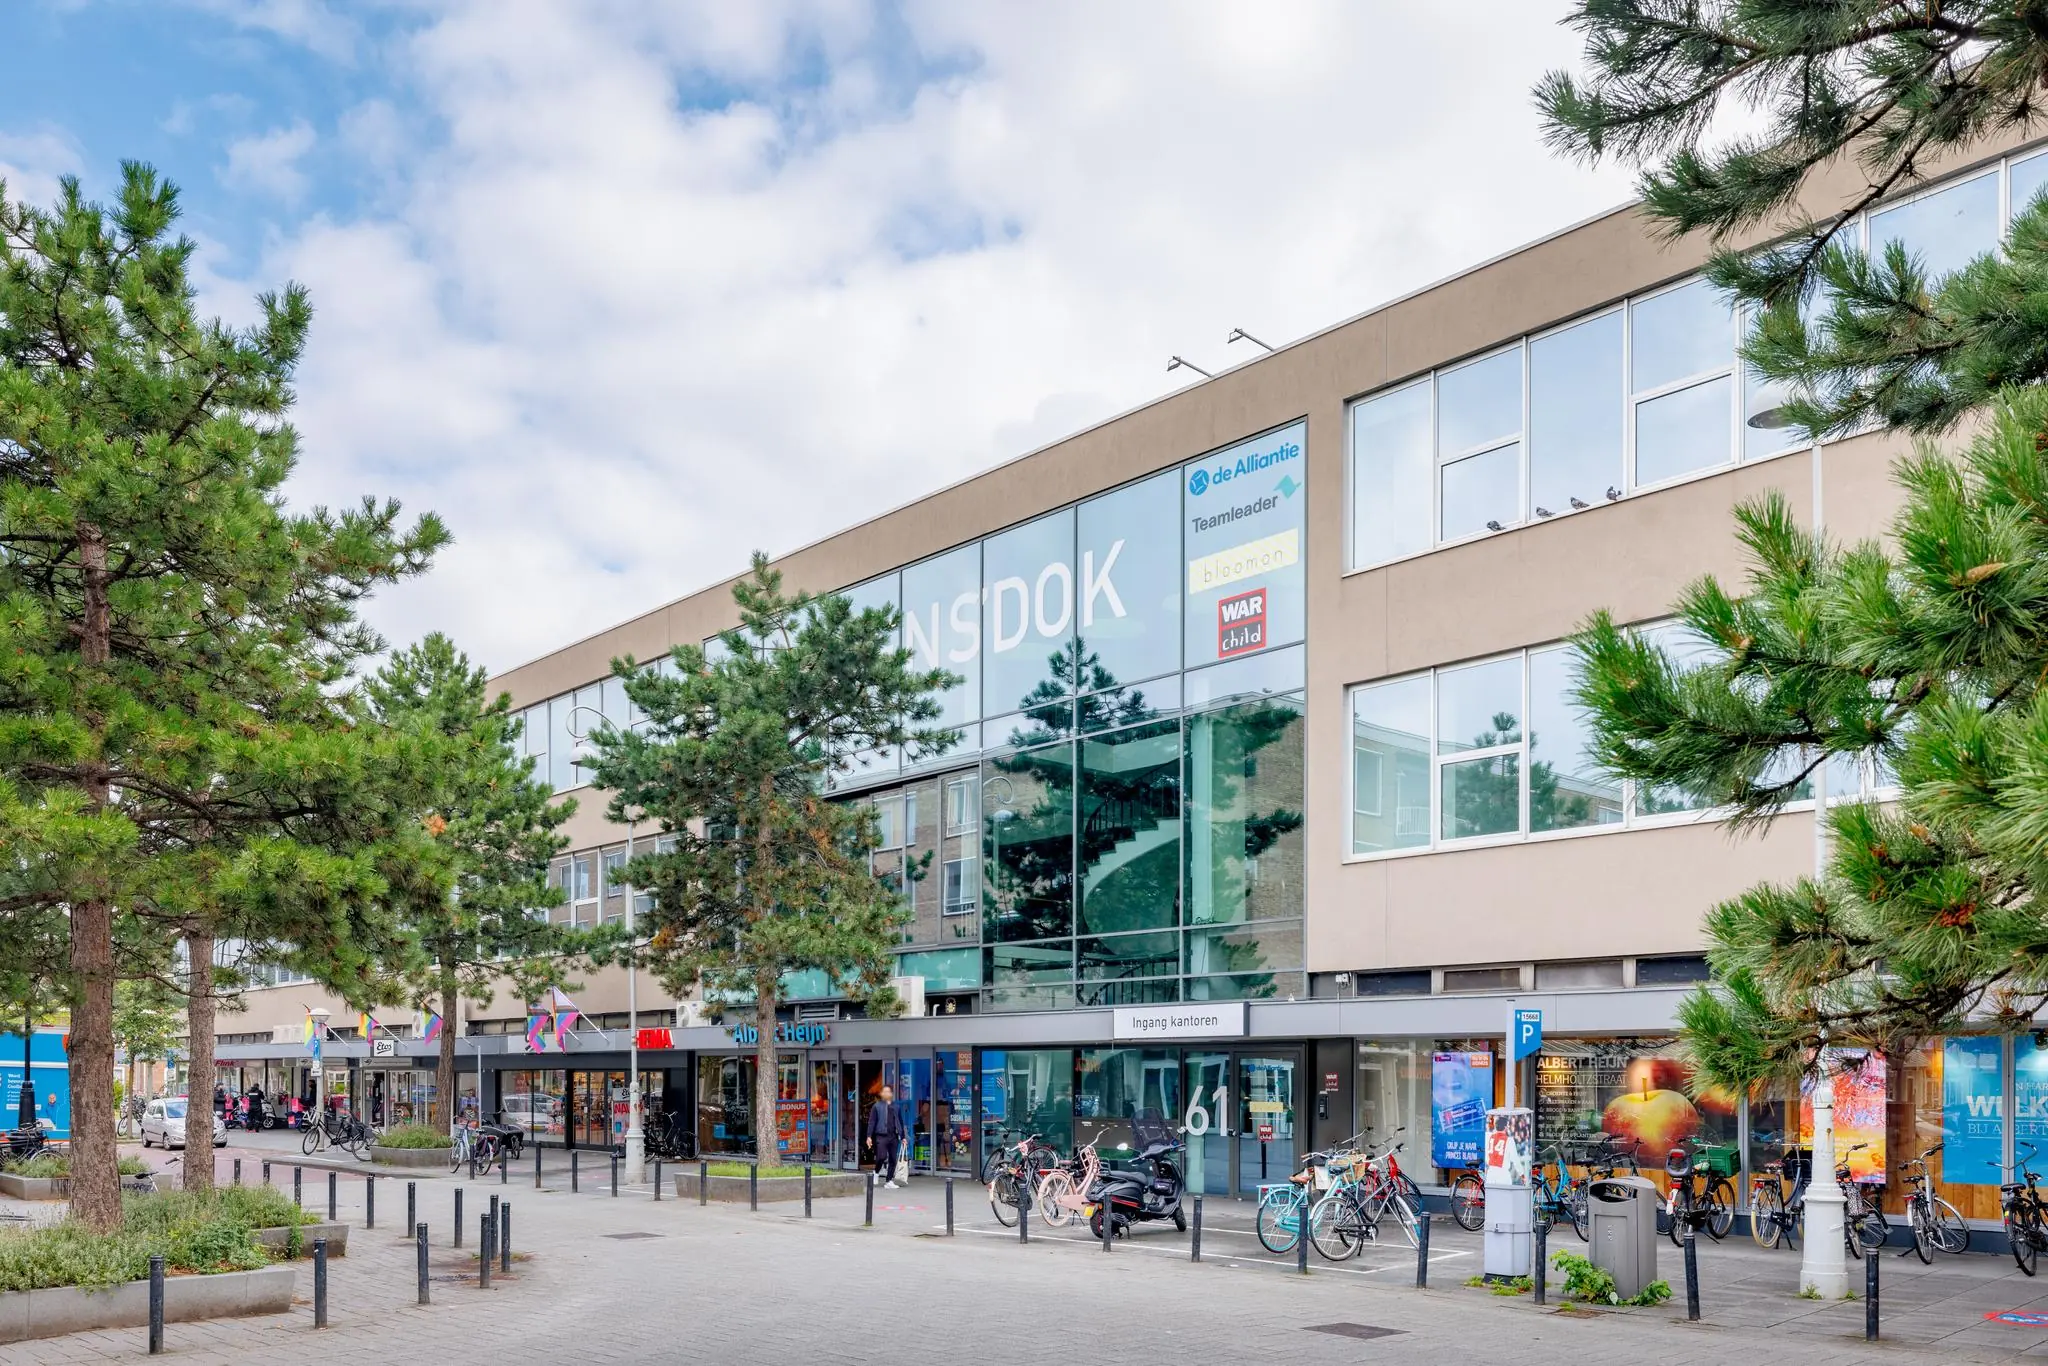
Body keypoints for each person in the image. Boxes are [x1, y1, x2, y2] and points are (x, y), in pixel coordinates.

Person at [866, 1085, 904, 1189]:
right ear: (881, 1094)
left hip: (894, 1136)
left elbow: (900, 1122)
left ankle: (889, 1181)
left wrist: (903, 1136)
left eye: (889, 1092)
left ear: (891, 1094)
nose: (887, 1094)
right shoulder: (877, 1106)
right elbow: (872, 1122)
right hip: (881, 1135)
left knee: (893, 1159)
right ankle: (876, 1172)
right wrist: (869, 1136)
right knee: (881, 1156)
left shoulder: (896, 1107)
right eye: (885, 1092)